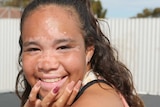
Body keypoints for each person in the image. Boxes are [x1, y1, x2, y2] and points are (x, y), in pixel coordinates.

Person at [15, 0, 144, 107]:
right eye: (34, 49)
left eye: (63, 47)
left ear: (88, 50)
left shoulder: (97, 101)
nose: (47, 64)